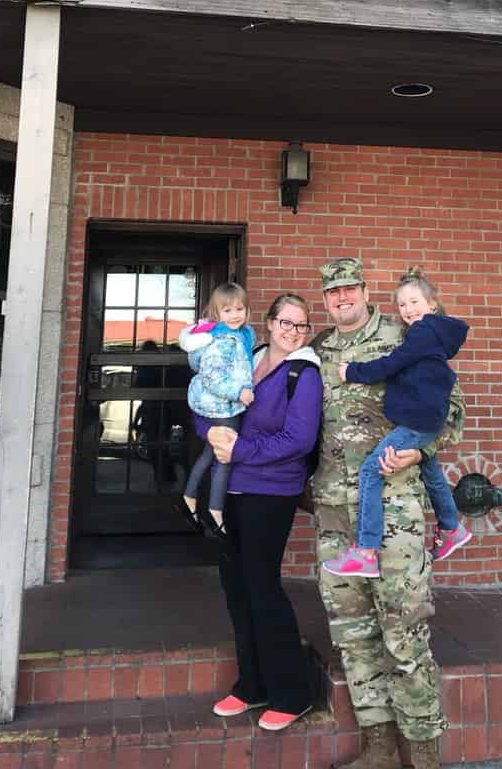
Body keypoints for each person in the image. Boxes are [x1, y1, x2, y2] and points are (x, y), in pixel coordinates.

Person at [313, 258, 464, 769]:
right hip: (336, 517)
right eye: (332, 292)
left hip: (395, 513)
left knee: (404, 634)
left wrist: (423, 451)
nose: (342, 298)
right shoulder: (317, 352)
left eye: (350, 288)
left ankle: (422, 757)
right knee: (354, 637)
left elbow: (453, 408)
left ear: (364, 290)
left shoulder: (407, 334)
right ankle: (378, 751)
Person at [201, 294, 322, 733]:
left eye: (301, 325)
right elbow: (211, 402)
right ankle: (253, 685)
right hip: (229, 489)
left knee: (262, 585)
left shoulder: (303, 373)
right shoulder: (243, 356)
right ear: (268, 324)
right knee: (236, 586)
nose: (292, 331)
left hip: (271, 492)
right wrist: (211, 432)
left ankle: (292, 692)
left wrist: (242, 450)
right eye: (285, 322)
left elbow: (299, 439)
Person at [323, 267, 471, 578]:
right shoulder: (322, 345)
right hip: (340, 495)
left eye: (414, 302)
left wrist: (352, 372)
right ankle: (451, 527)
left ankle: (366, 551)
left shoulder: (412, 334)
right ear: (325, 299)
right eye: (402, 305)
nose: (408, 310)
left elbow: (394, 367)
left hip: (412, 445)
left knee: (370, 470)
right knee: (433, 473)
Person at [178, 283, 255, 533]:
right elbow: (213, 378)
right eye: (227, 310)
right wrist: (240, 392)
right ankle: (215, 510)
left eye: (239, 309)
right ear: (216, 313)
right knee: (225, 457)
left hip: (221, 404)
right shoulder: (221, 340)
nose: (235, 315)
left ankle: (188, 499)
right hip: (223, 406)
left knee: (210, 454)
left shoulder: (241, 335)